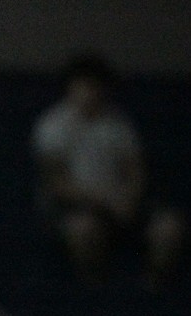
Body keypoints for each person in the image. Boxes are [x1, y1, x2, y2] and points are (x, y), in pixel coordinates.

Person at [31, 52, 185, 288]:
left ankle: (155, 286)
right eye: (83, 86)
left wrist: (129, 198)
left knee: (170, 227)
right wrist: (104, 200)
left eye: (95, 86)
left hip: (120, 200)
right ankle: (94, 288)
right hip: (75, 205)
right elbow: (57, 182)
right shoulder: (52, 125)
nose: (90, 93)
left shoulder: (118, 123)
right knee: (82, 230)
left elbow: (135, 170)